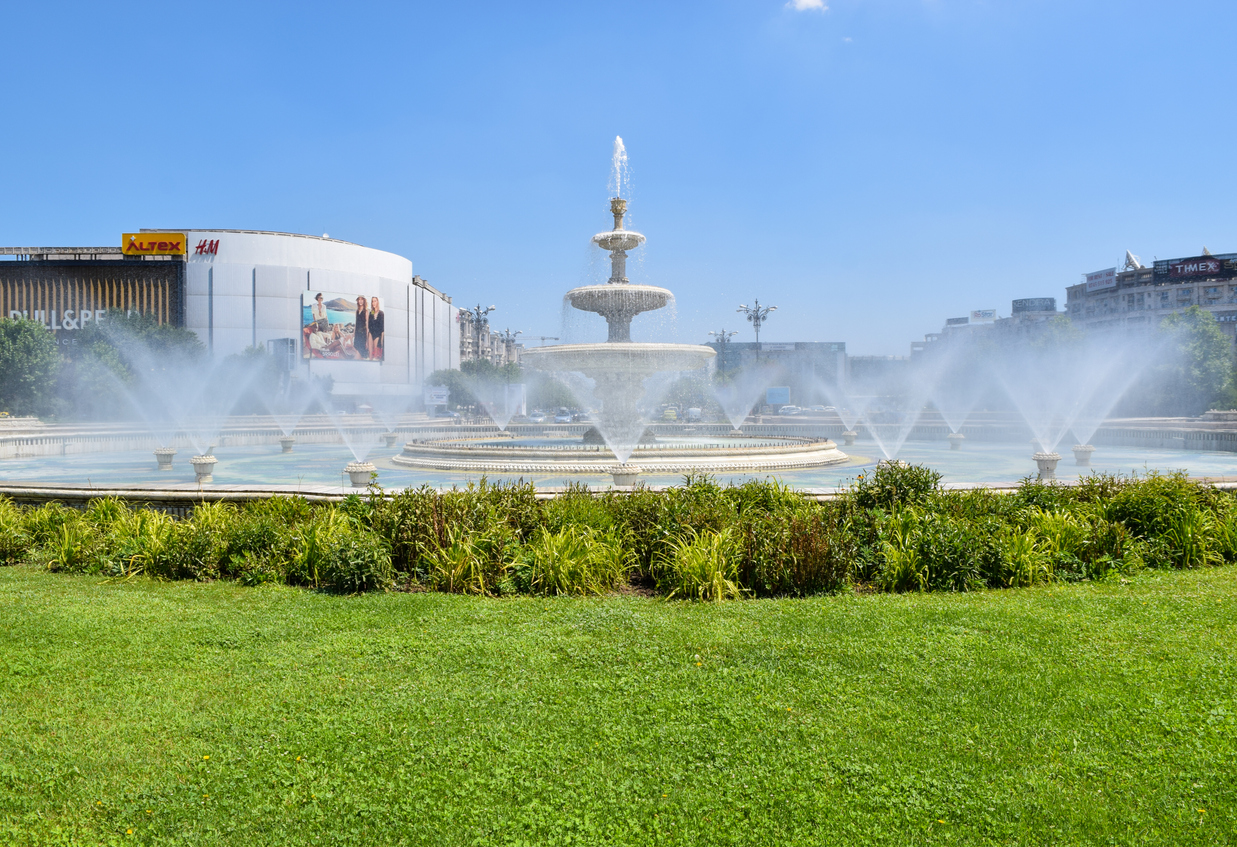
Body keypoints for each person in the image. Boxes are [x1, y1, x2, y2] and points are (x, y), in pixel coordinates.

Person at [368, 296, 385, 360]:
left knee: (375, 354)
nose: (373, 303)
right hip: (371, 333)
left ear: (377, 302)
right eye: (372, 301)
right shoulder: (371, 312)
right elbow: (369, 325)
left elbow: (382, 328)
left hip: (377, 334)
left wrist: (382, 339)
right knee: (370, 355)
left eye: (375, 301)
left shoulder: (381, 313)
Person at [353, 295, 369, 359]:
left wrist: (367, 339)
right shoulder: (356, 311)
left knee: (361, 350)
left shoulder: (366, 311)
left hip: (363, 334)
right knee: (357, 348)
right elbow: (356, 322)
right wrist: (353, 333)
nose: (360, 301)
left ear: (364, 301)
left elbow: (367, 325)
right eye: (359, 299)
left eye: (362, 299)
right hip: (357, 333)